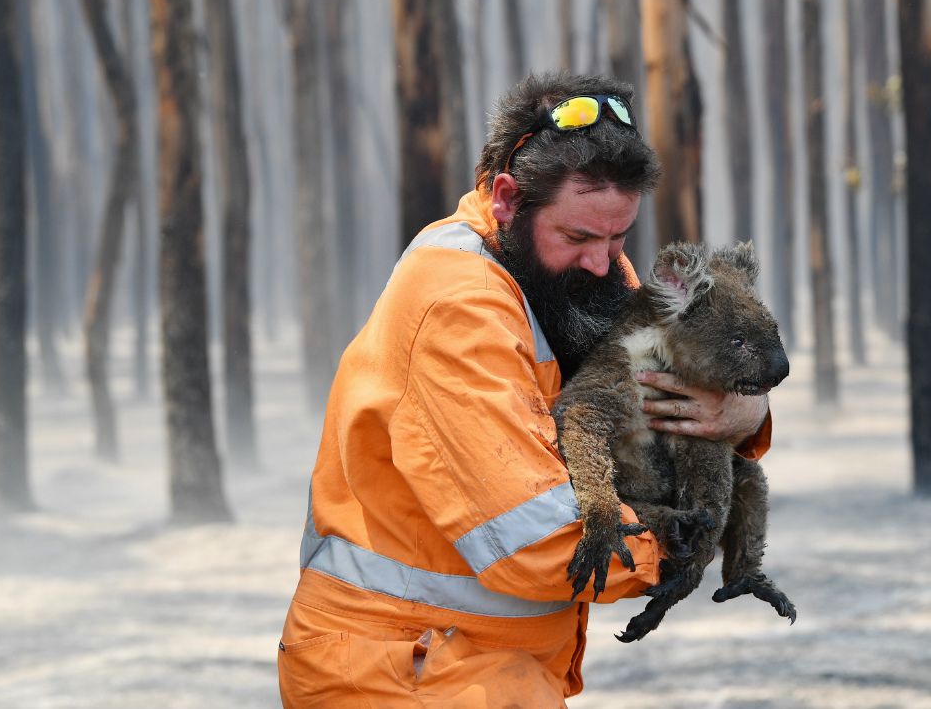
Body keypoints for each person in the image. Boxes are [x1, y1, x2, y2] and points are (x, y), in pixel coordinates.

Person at [277, 72, 773, 708]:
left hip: (480, 664)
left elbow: (676, 382)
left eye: (620, 236)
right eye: (580, 237)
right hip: (396, 672)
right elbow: (533, 540)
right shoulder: (460, 305)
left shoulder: (573, 275)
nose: (606, 260)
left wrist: (743, 414)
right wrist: (677, 544)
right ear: (508, 199)